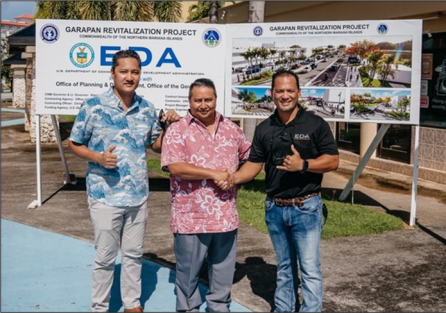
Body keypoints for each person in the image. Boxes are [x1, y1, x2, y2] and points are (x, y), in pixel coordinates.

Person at [68, 49, 180, 312]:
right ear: (112, 73)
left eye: (135, 72)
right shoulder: (93, 106)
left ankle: (132, 304)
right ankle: (100, 307)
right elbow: (74, 143)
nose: (130, 77)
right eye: (124, 71)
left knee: (132, 255)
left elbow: (155, 145)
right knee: (106, 257)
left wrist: (168, 128)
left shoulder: (147, 109)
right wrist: (97, 157)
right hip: (105, 194)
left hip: (138, 195)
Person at [231, 69, 339, 312]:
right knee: (284, 267)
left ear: (299, 93)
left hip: (307, 207)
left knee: (310, 268)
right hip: (275, 208)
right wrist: (233, 178)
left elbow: (333, 160)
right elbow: (254, 164)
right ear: (271, 93)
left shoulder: (315, 124)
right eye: (280, 91)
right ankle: (283, 309)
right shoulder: (264, 128)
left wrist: (304, 165)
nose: (285, 95)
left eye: (290, 90)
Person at [161, 78, 251, 312]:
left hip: (225, 217)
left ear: (215, 100)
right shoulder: (177, 130)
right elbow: (175, 167)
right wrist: (213, 174)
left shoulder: (232, 129)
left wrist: (235, 177)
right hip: (191, 218)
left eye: (208, 99)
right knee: (188, 276)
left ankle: (219, 308)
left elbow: (251, 157)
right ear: (189, 102)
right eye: (198, 100)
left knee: (223, 276)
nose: (203, 104)